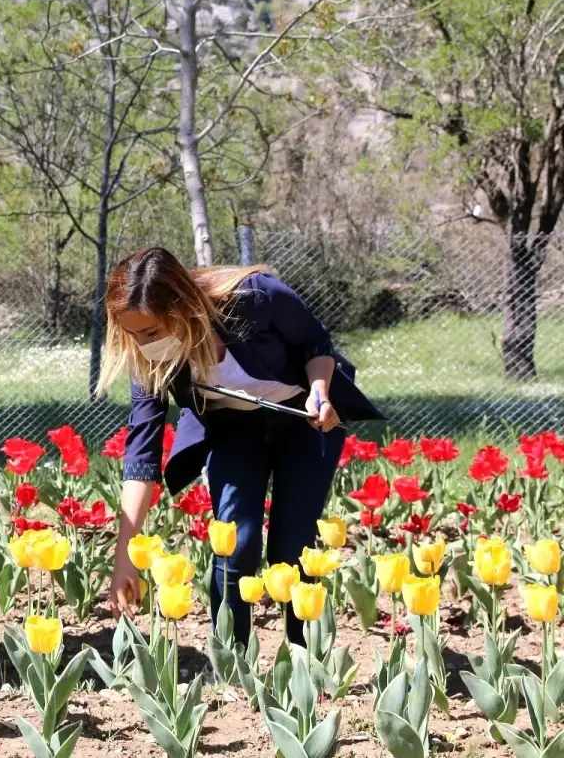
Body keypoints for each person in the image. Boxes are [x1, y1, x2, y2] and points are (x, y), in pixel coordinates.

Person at [101, 247, 383, 646]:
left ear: (182, 307)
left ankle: (303, 661)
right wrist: (124, 556)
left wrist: (320, 391)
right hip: (233, 429)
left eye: (152, 332)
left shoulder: (254, 298)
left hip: (302, 422)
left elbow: (315, 342)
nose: (145, 345)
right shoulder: (149, 360)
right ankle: (231, 664)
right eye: (134, 334)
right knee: (236, 541)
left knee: (293, 546)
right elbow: (142, 453)